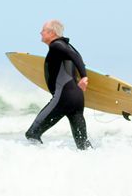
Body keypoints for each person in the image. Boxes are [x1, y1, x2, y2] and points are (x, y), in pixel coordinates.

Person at [25, 19, 93, 150]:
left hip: (63, 98)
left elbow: (74, 57)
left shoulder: (56, 46)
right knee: (83, 145)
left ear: (51, 32)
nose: (40, 33)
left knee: (32, 134)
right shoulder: (69, 45)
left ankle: (40, 166)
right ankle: (96, 163)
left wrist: (84, 76)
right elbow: (78, 58)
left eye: (43, 31)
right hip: (77, 99)